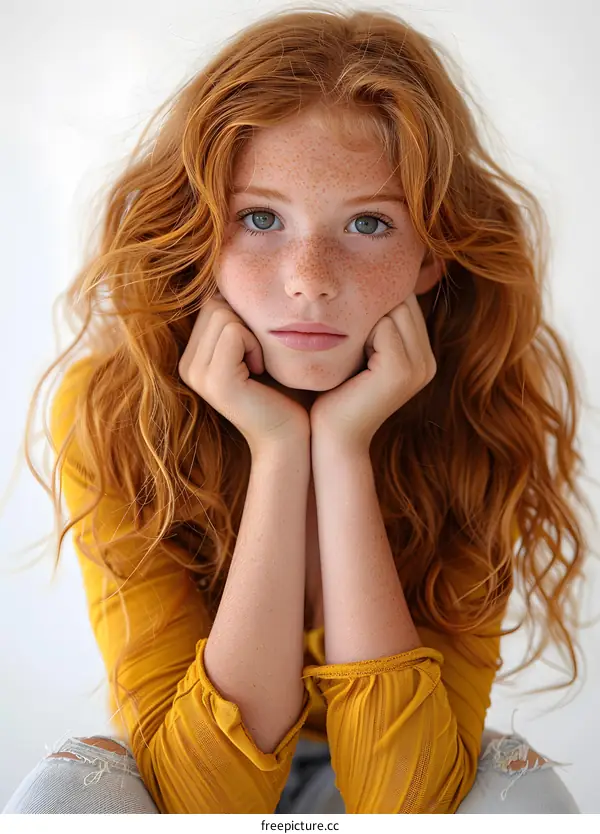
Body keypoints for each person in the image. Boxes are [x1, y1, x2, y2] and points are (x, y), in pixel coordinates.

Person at [3, 3, 591, 814]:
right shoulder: (113, 406)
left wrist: (343, 452)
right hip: (202, 768)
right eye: (261, 217)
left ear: (432, 254)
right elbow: (205, 806)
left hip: (399, 763)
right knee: (66, 792)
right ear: (199, 233)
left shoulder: (483, 406)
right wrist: (279, 453)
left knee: (522, 796)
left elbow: (405, 806)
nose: (309, 276)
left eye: (369, 222)